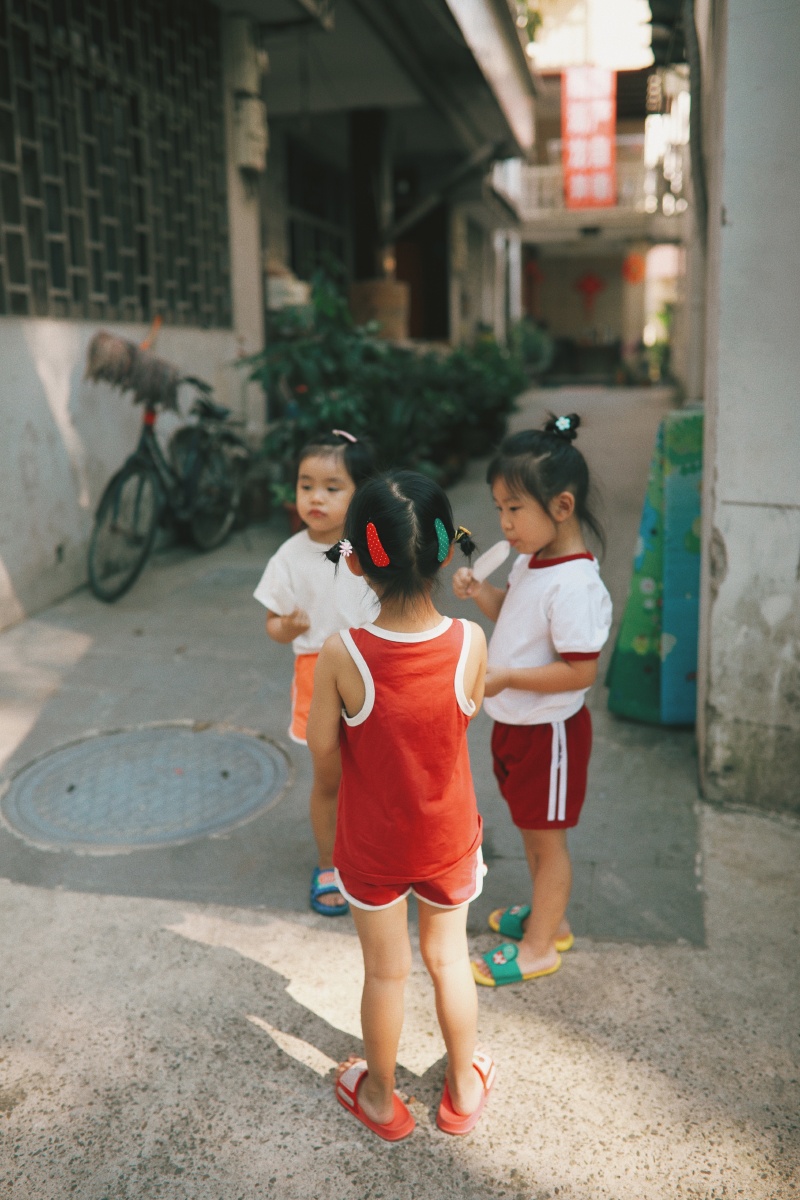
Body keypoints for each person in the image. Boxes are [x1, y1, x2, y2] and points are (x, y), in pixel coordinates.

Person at [306, 472, 495, 1141]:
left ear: (354, 560)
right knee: (448, 959)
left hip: (373, 845)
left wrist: (327, 845)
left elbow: (324, 759)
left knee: (386, 971)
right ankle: (465, 1086)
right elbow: (458, 720)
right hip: (448, 837)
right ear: (445, 552)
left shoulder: (342, 653)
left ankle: (381, 1098)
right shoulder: (471, 642)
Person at [453, 415, 612, 987]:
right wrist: (483, 594)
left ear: (562, 507)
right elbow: (514, 618)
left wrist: (506, 678)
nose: (503, 523)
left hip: (550, 733)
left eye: (514, 509)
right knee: (532, 829)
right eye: (499, 509)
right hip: (518, 722)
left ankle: (541, 945)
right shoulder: (533, 560)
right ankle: (551, 916)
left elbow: (578, 671)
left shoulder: (575, 585)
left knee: (549, 841)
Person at [253, 430, 378, 916]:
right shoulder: (289, 556)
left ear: (360, 493)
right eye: (306, 485)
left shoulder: (370, 548)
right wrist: (286, 625)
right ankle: (330, 862)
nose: (316, 497)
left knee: (373, 775)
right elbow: (271, 624)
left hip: (373, 674)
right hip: (317, 676)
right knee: (330, 780)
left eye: (332, 486)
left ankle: (372, 854)